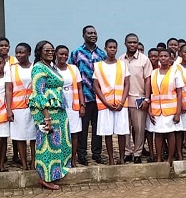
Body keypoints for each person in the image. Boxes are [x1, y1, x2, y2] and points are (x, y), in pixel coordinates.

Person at [69, 25, 106, 165]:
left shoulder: (102, 54)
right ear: (83, 35)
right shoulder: (76, 53)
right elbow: (72, 74)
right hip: (83, 97)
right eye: (89, 33)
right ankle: (82, 154)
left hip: (99, 97)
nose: (93, 35)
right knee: (82, 129)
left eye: (95, 33)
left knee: (98, 127)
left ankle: (97, 154)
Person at [94, 39, 130, 165]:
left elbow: (127, 84)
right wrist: (106, 102)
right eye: (110, 47)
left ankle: (121, 157)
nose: (112, 49)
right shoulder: (98, 66)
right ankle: (110, 158)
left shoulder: (122, 65)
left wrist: (122, 102)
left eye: (114, 47)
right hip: (105, 104)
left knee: (121, 132)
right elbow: (96, 86)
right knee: (107, 132)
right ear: (105, 48)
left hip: (121, 104)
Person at [120, 33, 152, 163]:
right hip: (124, 99)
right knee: (125, 127)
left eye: (135, 42)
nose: (132, 45)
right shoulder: (121, 59)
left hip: (139, 98)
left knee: (139, 128)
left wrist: (147, 99)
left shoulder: (144, 60)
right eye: (130, 42)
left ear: (138, 44)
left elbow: (147, 80)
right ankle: (127, 152)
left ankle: (137, 153)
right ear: (125, 44)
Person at [149, 48, 183, 165]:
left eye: (165, 56)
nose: (163, 58)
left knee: (170, 134)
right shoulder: (153, 73)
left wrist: (178, 112)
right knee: (158, 134)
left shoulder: (175, 72)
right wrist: (149, 110)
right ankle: (159, 158)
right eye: (161, 56)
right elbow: (150, 93)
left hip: (170, 110)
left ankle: (169, 158)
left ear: (170, 58)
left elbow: (179, 93)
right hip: (157, 109)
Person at [6, 43, 36, 170]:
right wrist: (8, 109)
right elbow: (8, 89)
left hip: (34, 106)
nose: (18, 55)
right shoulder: (11, 68)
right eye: (17, 52)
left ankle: (34, 160)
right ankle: (23, 162)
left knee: (34, 136)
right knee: (20, 136)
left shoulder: (35, 67)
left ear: (29, 53)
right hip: (17, 107)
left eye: (22, 52)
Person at [55, 45, 85, 168]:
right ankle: (61, 160)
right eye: (61, 54)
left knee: (74, 133)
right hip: (58, 106)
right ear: (56, 55)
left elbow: (79, 87)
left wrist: (82, 105)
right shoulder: (51, 69)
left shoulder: (73, 68)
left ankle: (72, 160)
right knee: (60, 134)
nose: (64, 56)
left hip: (73, 105)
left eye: (66, 54)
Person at [145, 48, 160, 162]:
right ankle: (151, 152)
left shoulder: (161, 70)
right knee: (149, 130)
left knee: (160, 132)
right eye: (151, 56)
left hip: (161, 106)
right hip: (149, 104)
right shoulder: (147, 70)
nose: (153, 58)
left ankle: (160, 152)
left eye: (156, 56)